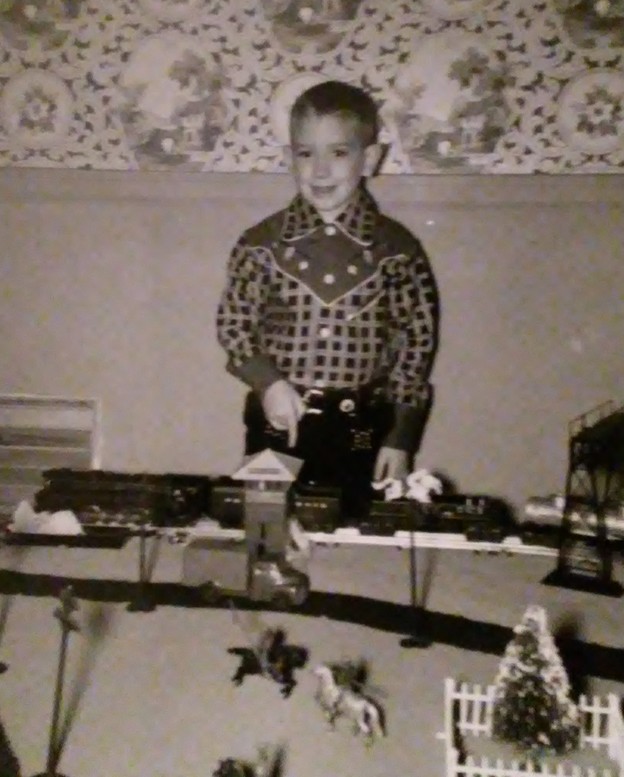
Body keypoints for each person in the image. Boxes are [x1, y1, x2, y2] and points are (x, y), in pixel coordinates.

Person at [216, 80, 439, 519]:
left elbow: (415, 344)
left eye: (338, 153)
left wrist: (400, 437)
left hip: (361, 426)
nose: (320, 170)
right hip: (278, 421)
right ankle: (267, 558)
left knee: (356, 525)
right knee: (266, 526)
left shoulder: (398, 250)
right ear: (289, 158)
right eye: (305, 153)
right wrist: (268, 383)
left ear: (369, 159)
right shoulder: (260, 244)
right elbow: (234, 323)